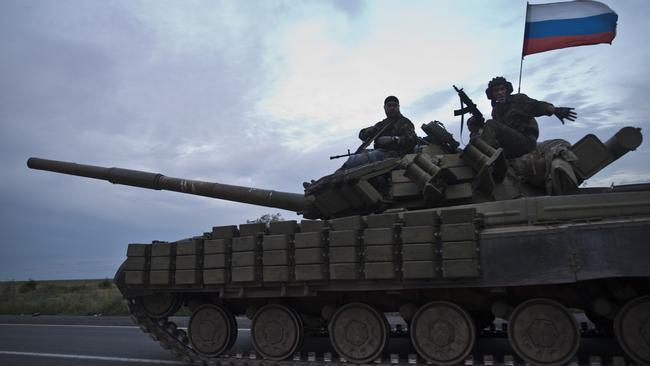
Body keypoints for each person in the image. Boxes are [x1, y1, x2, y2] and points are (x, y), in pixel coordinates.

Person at [468, 76, 576, 159]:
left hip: (526, 142)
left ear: (507, 90)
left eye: (502, 89)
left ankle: (483, 158)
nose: (500, 93)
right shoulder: (496, 111)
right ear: (492, 94)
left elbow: (537, 106)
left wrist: (555, 110)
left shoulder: (519, 99)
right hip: (510, 146)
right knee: (478, 137)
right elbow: (498, 133)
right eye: (496, 91)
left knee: (490, 124)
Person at [340, 95, 417, 169]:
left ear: (398, 107)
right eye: (389, 106)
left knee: (354, 161)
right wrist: (370, 130)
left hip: (395, 155)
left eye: (394, 105)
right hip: (381, 153)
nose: (392, 108)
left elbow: (413, 140)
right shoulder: (382, 124)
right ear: (384, 108)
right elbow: (361, 135)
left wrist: (393, 139)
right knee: (355, 158)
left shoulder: (404, 122)